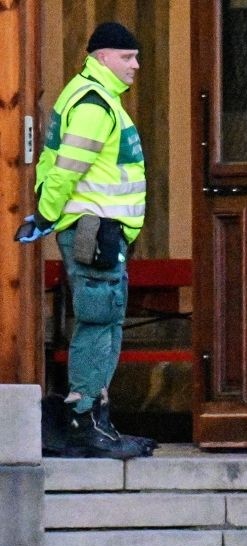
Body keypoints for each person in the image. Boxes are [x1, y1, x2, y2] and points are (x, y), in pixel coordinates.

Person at [33, 22, 147, 459]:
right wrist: (45, 213)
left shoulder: (98, 98)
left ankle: (98, 420)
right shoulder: (95, 104)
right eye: (127, 57)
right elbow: (67, 168)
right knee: (99, 321)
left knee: (106, 321)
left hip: (102, 229)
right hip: (93, 228)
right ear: (102, 57)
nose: (135, 65)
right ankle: (85, 420)